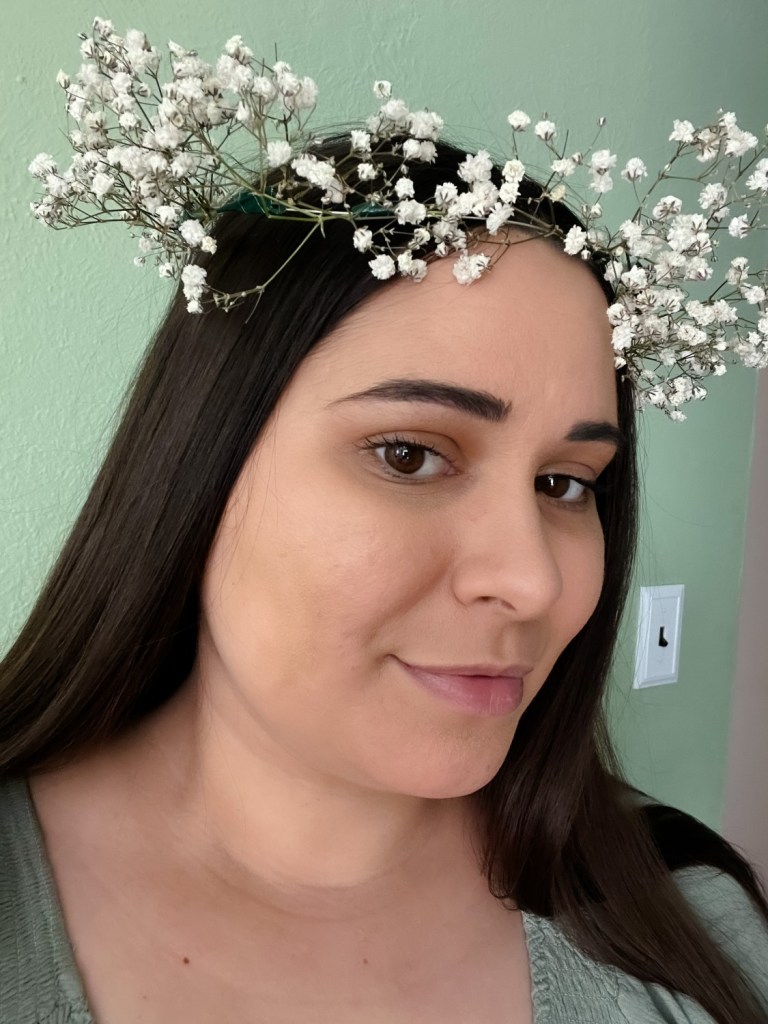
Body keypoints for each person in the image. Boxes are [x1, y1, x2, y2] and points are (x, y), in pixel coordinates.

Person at [5, 30, 768, 1018]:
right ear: (198, 465)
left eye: (567, 483)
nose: (532, 581)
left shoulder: (689, 918)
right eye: (409, 454)